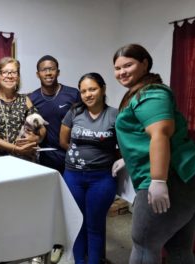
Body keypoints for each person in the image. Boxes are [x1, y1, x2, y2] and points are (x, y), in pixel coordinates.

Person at [112, 43, 195, 264]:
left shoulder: (151, 93)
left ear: (144, 64)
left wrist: (159, 180)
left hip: (177, 176)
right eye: (117, 68)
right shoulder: (139, 93)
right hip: (194, 175)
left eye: (127, 65)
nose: (121, 72)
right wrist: (127, 157)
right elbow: (143, 134)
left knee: (144, 243)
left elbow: (160, 133)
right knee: (178, 246)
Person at [60, 72, 118, 264]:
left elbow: (124, 145)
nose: (88, 94)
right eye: (83, 91)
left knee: (94, 225)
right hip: (73, 176)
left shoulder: (115, 115)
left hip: (101, 178)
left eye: (92, 89)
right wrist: (79, 158)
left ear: (103, 89)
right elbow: (63, 141)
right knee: (77, 223)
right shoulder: (74, 112)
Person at [0, 57, 45, 159]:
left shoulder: (25, 100)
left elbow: (41, 128)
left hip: (24, 159)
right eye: (5, 72)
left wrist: (36, 138)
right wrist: (15, 149)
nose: (10, 76)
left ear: (18, 77)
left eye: (14, 72)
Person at [29, 55, 80, 173]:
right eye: (43, 70)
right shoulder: (32, 98)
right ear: (38, 74)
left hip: (71, 154)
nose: (48, 73)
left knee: (71, 191)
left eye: (51, 69)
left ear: (58, 72)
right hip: (46, 157)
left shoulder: (73, 94)